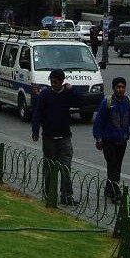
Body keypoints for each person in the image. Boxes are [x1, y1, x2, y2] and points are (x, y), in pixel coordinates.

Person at [31, 69, 76, 206]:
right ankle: (49, 193)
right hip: (49, 137)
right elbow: (38, 113)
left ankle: (66, 195)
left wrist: (72, 89)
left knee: (66, 168)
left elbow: (81, 101)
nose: (53, 84)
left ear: (62, 82)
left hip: (64, 136)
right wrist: (35, 131)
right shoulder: (45, 94)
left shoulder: (67, 94)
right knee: (49, 168)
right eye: (51, 81)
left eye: (55, 82)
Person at [92, 76, 130, 203]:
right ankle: (116, 192)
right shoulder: (107, 102)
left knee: (117, 165)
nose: (120, 89)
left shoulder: (128, 102)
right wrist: (98, 138)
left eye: (122, 87)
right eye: (118, 87)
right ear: (113, 88)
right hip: (108, 141)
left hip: (122, 140)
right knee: (113, 164)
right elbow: (99, 121)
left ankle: (109, 188)